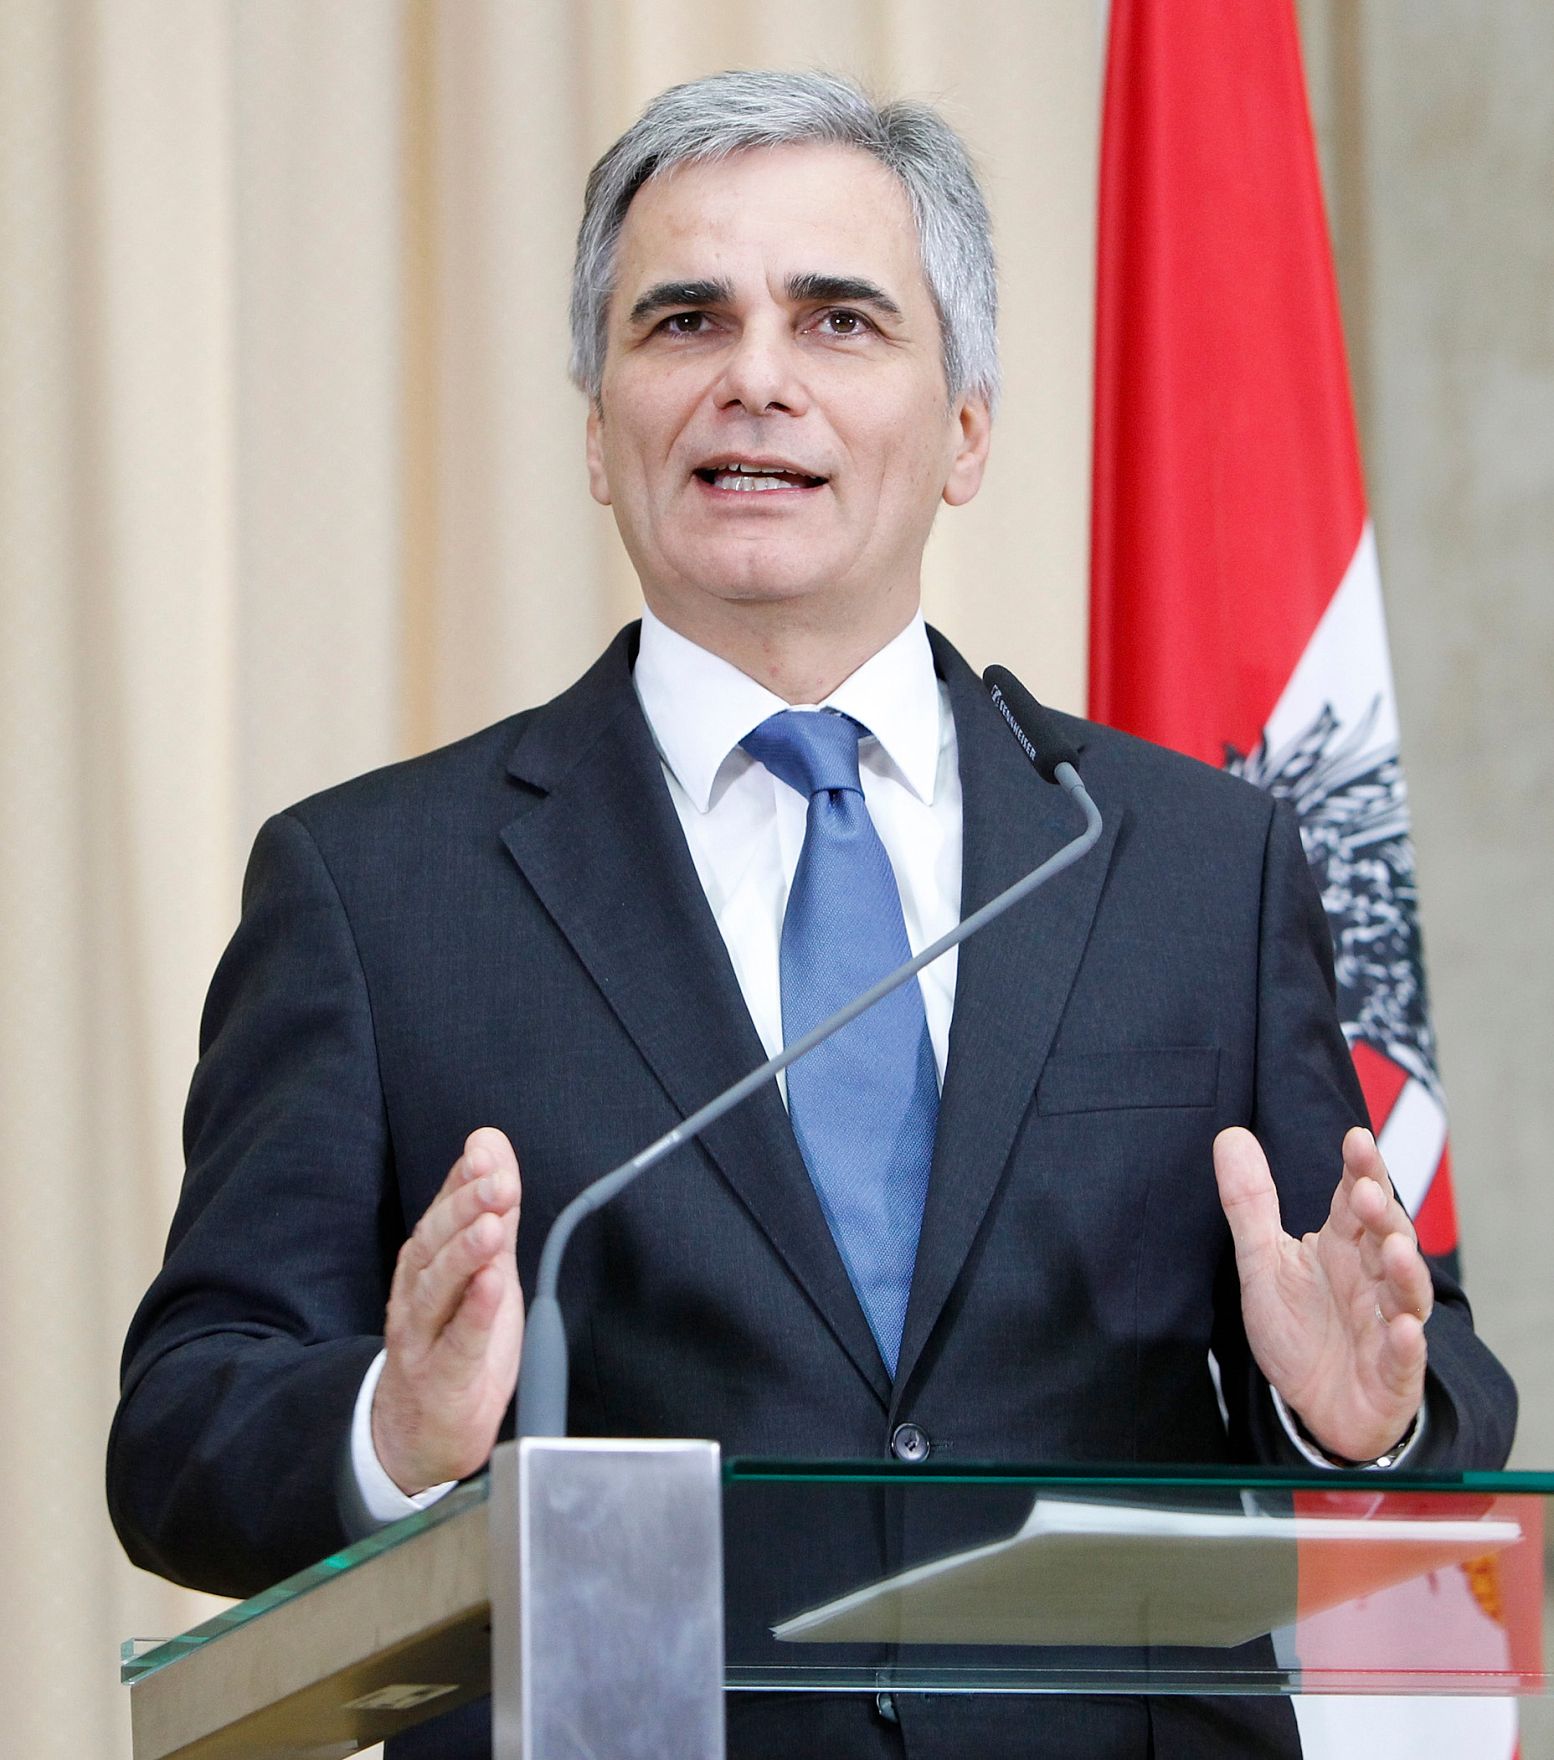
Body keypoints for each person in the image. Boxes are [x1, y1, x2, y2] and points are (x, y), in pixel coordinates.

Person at [108, 70, 1515, 1760]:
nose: (753, 379)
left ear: (967, 430)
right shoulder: (372, 889)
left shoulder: (1189, 863)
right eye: (682, 320)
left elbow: (1420, 1378)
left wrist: (1343, 1426)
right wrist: (393, 1434)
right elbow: (182, 1426)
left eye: (838, 320)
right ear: (595, 424)